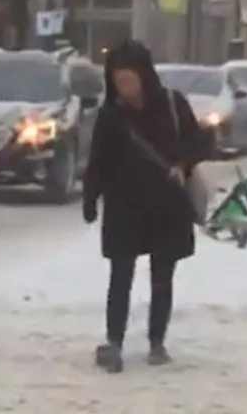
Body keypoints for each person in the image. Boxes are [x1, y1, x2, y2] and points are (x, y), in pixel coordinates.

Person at [82, 40, 212, 373]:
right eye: (119, 81)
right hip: (124, 205)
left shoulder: (172, 105)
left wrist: (182, 163)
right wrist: (91, 198)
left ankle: (157, 342)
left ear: (144, 77)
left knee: (162, 276)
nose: (125, 88)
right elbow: (98, 160)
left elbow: (199, 143)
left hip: (166, 205)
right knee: (121, 274)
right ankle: (114, 342)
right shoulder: (111, 115)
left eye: (130, 80)